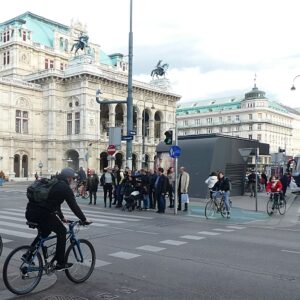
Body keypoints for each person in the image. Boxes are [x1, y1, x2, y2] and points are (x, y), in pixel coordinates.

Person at [25, 167, 90, 271]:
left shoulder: (53, 183)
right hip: (43, 214)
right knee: (62, 231)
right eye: (73, 179)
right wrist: (84, 219)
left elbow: (55, 204)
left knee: (44, 232)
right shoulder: (65, 188)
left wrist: (62, 217)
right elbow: (74, 207)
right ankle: (60, 262)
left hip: (30, 212)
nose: (73, 181)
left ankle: (28, 255)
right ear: (69, 178)